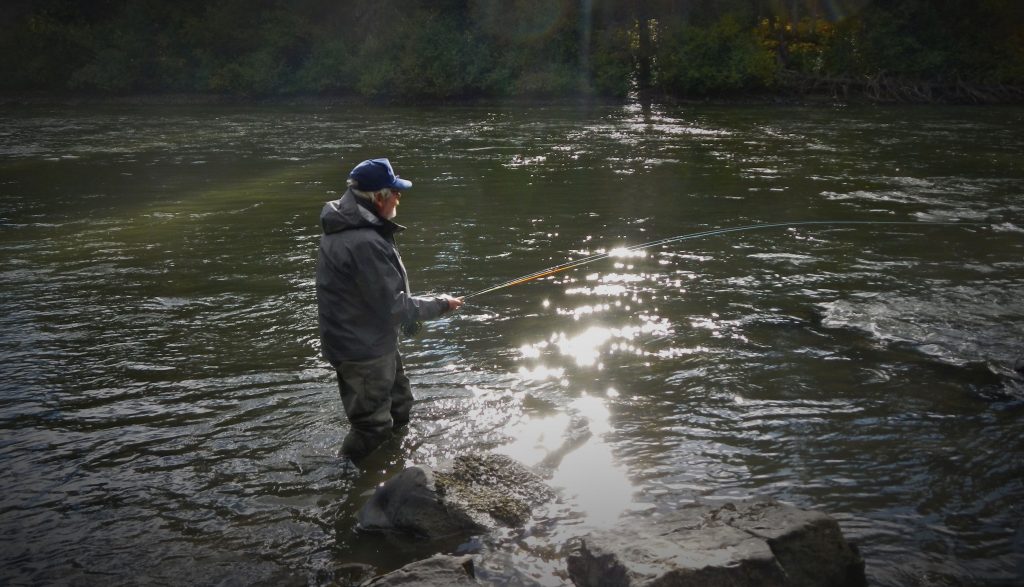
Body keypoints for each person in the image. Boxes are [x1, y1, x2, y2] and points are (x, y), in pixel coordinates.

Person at [316, 158, 462, 462]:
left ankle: (395, 464)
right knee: (372, 428)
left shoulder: (355, 225)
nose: (399, 197)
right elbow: (393, 306)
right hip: (362, 350)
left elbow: (380, 297)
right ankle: (348, 485)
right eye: (395, 191)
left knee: (400, 405)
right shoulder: (364, 241)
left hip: (368, 338)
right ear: (378, 197)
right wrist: (441, 304)